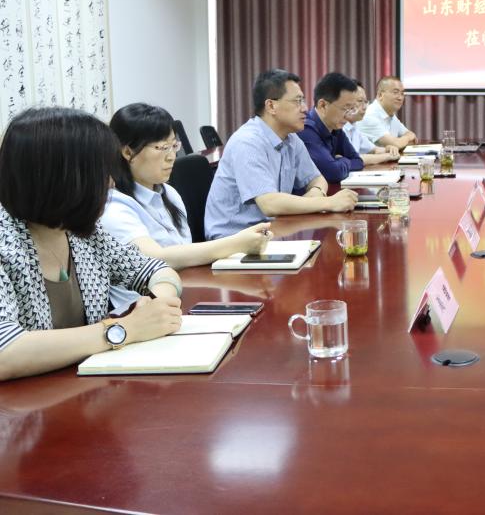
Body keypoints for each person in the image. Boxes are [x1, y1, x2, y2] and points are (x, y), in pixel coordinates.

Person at [0, 107, 184, 381]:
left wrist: (159, 304)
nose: (110, 184)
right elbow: (5, 352)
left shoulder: (81, 232)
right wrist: (124, 329)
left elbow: (156, 270)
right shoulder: (6, 240)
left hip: (84, 391)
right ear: (62, 179)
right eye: (100, 172)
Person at [102, 103, 271, 306]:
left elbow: (185, 256)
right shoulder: (113, 206)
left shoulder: (169, 193)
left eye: (174, 146)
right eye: (161, 147)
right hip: (143, 309)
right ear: (128, 152)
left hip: (183, 293)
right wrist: (236, 243)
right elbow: (155, 259)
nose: (171, 156)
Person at [205, 69, 358, 239]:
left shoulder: (291, 139)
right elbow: (270, 204)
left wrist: (315, 195)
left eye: (303, 100)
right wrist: (328, 202)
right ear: (271, 106)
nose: (305, 108)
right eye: (297, 101)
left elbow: (317, 179)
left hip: (272, 231)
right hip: (234, 240)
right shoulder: (247, 142)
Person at [298, 73, 369, 183]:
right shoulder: (305, 128)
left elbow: (358, 161)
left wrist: (339, 161)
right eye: (345, 108)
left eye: (352, 109)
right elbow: (332, 172)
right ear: (323, 105)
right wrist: (343, 160)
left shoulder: (336, 127)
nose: (348, 115)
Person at [343, 81, 400, 165]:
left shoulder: (354, 127)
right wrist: (387, 156)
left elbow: (373, 149)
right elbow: (353, 159)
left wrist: (388, 149)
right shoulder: (339, 128)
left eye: (365, 102)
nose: (364, 107)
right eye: (360, 101)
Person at [356, 76, 418, 149]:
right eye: (395, 92)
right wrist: (407, 138)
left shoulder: (390, 114)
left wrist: (404, 140)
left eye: (402, 93)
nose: (400, 98)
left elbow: (412, 138)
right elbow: (397, 144)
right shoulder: (368, 116)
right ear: (380, 95)